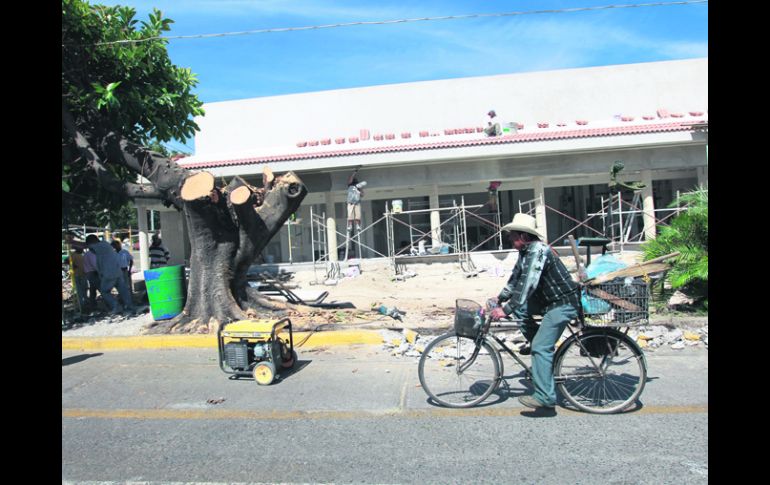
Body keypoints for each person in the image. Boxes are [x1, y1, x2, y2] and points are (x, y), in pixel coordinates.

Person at [489, 213, 581, 410]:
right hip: (548, 301)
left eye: (512, 235)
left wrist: (505, 309)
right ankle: (538, 345)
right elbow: (515, 279)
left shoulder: (538, 250)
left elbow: (528, 283)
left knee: (540, 347)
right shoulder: (525, 252)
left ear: (523, 236)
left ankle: (545, 397)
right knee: (521, 310)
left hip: (562, 303)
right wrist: (500, 298)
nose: (510, 238)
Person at [85, 234, 134, 315]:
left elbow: (84, 246)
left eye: (89, 246)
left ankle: (116, 306)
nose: (90, 249)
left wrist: (72, 242)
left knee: (104, 291)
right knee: (123, 290)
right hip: (117, 272)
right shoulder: (104, 247)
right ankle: (130, 306)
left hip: (109, 274)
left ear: (92, 242)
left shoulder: (101, 245)